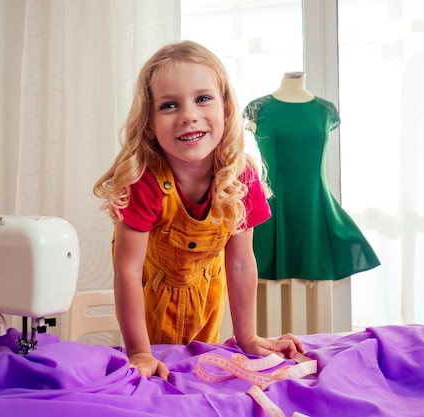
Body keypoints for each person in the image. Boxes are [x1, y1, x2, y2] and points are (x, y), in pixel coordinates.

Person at [93, 41, 305, 380]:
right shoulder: (143, 181)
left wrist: (247, 336)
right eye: (169, 105)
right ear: (148, 124)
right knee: (158, 378)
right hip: (152, 303)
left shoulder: (241, 177)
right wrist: (139, 352)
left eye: (203, 98)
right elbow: (128, 271)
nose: (189, 115)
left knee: (197, 376)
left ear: (226, 109)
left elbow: (239, 262)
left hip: (208, 298)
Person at [243, 73, 380, 281]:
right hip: (272, 205)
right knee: (257, 286)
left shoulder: (326, 111)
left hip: (316, 206)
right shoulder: (258, 109)